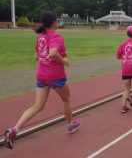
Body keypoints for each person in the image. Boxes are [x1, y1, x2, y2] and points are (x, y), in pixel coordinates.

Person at [3, 11, 82, 149]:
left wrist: (60, 54)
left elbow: (38, 56)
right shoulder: (57, 36)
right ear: (53, 22)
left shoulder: (40, 37)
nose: (58, 22)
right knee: (66, 100)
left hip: (41, 75)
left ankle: (14, 130)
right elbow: (52, 52)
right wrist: (64, 61)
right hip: (56, 76)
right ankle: (70, 125)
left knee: (37, 106)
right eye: (57, 20)